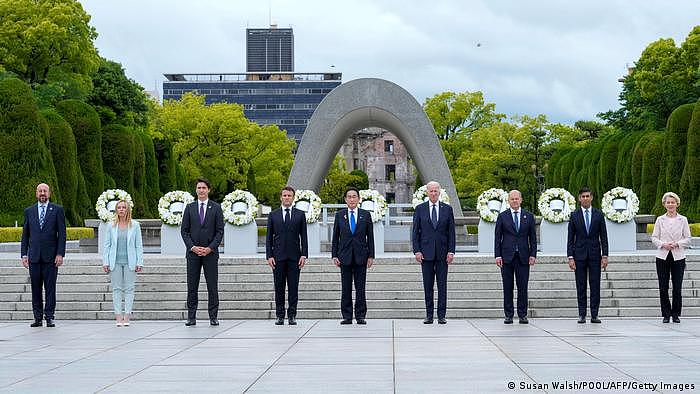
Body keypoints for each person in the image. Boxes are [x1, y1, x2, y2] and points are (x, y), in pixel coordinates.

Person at [20, 183, 66, 328]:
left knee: (50, 288)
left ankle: (50, 317)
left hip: (51, 257)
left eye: (45, 191)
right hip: (34, 257)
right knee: (35, 288)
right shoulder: (29, 211)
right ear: (36, 193)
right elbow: (25, 235)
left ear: (49, 193)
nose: (42, 193)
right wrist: (23, 255)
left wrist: (60, 253)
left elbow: (62, 234)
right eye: (40, 191)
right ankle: (37, 317)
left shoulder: (57, 210)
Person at [181, 178, 224, 326]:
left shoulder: (216, 208)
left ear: (208, 190)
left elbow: (219, 232)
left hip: (210, 254)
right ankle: (191, 317)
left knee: (212, 286)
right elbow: (184, 231)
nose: (201, 190)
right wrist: (192, 247)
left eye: (204, 188)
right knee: (192, 286)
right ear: (196, 190)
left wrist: (210, 248)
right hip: (193, 254)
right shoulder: (189, 208)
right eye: (199, 188)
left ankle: (213, 316)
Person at [412, 181, 456, 324]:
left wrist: (451, 251)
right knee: (428, 285)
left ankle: (441, 315)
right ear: (427, 192)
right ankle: (429, 315)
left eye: (436, 191)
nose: (433, 193)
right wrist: (417, 250)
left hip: (443, 254)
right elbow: (415, 232)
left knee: (442, 285)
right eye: (431, 191)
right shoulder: (420, 209)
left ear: (439, 192)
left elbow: (451, 233)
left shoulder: (447, 209)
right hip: (426, 253)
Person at [332, 187, 374, 325]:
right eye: (349, 197)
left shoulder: (365, 215)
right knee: (346, 288)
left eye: (354, 196)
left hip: (361, 256)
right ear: (345, 199)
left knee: (360, 287)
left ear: (358, 199)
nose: (351, 199)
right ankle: (347, 316)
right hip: (344, 256)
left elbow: (370, 237)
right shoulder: (340, 215)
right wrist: (334, 255)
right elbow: (335, 237)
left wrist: (371, 256)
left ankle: (360, 315)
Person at [266, 186, 308, 325]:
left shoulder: (300, 215)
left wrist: (304, 255)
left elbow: (304, 237)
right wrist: (269, 256)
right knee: (279, 287)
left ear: (293, 198)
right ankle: (279, 315)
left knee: (293, 287)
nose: (287, 198)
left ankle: (292, 315)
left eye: (289, 196)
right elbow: (268, 238)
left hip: (295, 257)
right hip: (277, 257)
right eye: (284, 195)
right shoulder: (273, 215)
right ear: (281, 197)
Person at [567, 187, 609, 324]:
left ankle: (595, 314)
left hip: (595, 255)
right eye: (583, 196)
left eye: (587, 196)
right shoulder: (574, 215)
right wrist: (570, 257)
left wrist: (605, 255)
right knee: (581, 285)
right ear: (579, 198)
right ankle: (582, 314)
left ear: (591, 198)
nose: (585, 198)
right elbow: (570, 238)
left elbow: (604, 236)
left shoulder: (598, 214)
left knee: (595, 285)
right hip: (579, 255)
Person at [494, 190, 537, 324]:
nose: (514, 201)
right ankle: (509, 314)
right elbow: (497, 238)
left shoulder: (528, 216)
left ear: (521, 200)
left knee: (522, 287)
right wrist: (497, 255)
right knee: (508, 287)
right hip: (507, 257)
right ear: (508, 201)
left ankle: (523, 314)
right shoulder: (502, 216)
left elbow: (533, 238)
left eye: (517, 199)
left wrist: (533, 254)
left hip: (523, 257)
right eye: (512, 199)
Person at [651, 192, 691, 323]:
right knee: (663, 287)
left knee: (677, 287)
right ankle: (666, 314)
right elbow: (654, 237)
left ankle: (676, 314)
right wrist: (663, 244)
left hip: (678, 256)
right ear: (664, 204)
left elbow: (688, 238)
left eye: (672, 202)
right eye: (668, 202)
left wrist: (677, 244)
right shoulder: (660, 220)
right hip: (662, 256)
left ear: (677, 204)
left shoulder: (683, 219)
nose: (670, 204)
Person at [102, 200, 144, 326]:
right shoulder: (111, 225)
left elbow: (138, 245)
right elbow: (107, 245)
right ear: (116, 210)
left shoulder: (135, 225)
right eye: (119, 207)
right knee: (116, 289)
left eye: (123, 207)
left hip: (130, 261)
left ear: (127, 210)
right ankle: (118, 317)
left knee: (129, 289)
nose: (121, 210)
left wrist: (139, 262)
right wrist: (105, 262)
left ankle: (127, 317)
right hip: (114, 261)